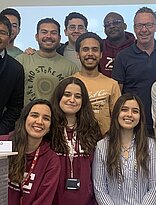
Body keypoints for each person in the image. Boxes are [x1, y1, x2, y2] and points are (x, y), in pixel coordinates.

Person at [92, 93, 156, 205]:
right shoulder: (102, 146)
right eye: (124, 109)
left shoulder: (150, 145)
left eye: (135, 111)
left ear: (140, 117)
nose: (129, 114)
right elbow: (100, 189)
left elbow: (155, 187)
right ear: (116, 113)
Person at [0, 99, 61, 205]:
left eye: (46, 118)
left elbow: (43, 201)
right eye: (34, 115)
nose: (39, 121)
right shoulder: (0, 143)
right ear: (24, 119)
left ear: (49, 128)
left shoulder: (51, 161)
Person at [50, 77, 102, 205]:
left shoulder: (92, 129)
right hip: (53, 199)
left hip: (85, 200)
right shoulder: (48, 128)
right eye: (67, 94)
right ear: (58, 97)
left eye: (78, 96)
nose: (72, 100)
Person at [112, 7, 156, 136]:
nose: (144, 30)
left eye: (149, 25)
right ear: (134, 28)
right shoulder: (123, 56)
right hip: (135, 125)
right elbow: (117, 93)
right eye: (139, 25)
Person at [16, 18, 79, 105]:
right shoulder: (22, 60)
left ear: (59, 38)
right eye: (44, 32)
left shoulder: (70, 67)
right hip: (26, 117)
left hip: (57, 118)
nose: (49, 36)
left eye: (53, 33)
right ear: (36, 36)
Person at [72, 32, 121, 134]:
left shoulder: (112, 85)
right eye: (85, 49)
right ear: (77, 54)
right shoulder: (69, 83)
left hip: (105, 144)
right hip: (75, 144)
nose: (90, 54)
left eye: (95, 49)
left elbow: (118, 119)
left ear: (101, 54)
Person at [99, 12, 136, 78]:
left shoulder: (136, 45)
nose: (111, 26)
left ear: (125, 26)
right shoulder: (99, 47)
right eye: (107, 25)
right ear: (104, 30)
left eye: (116, 23)